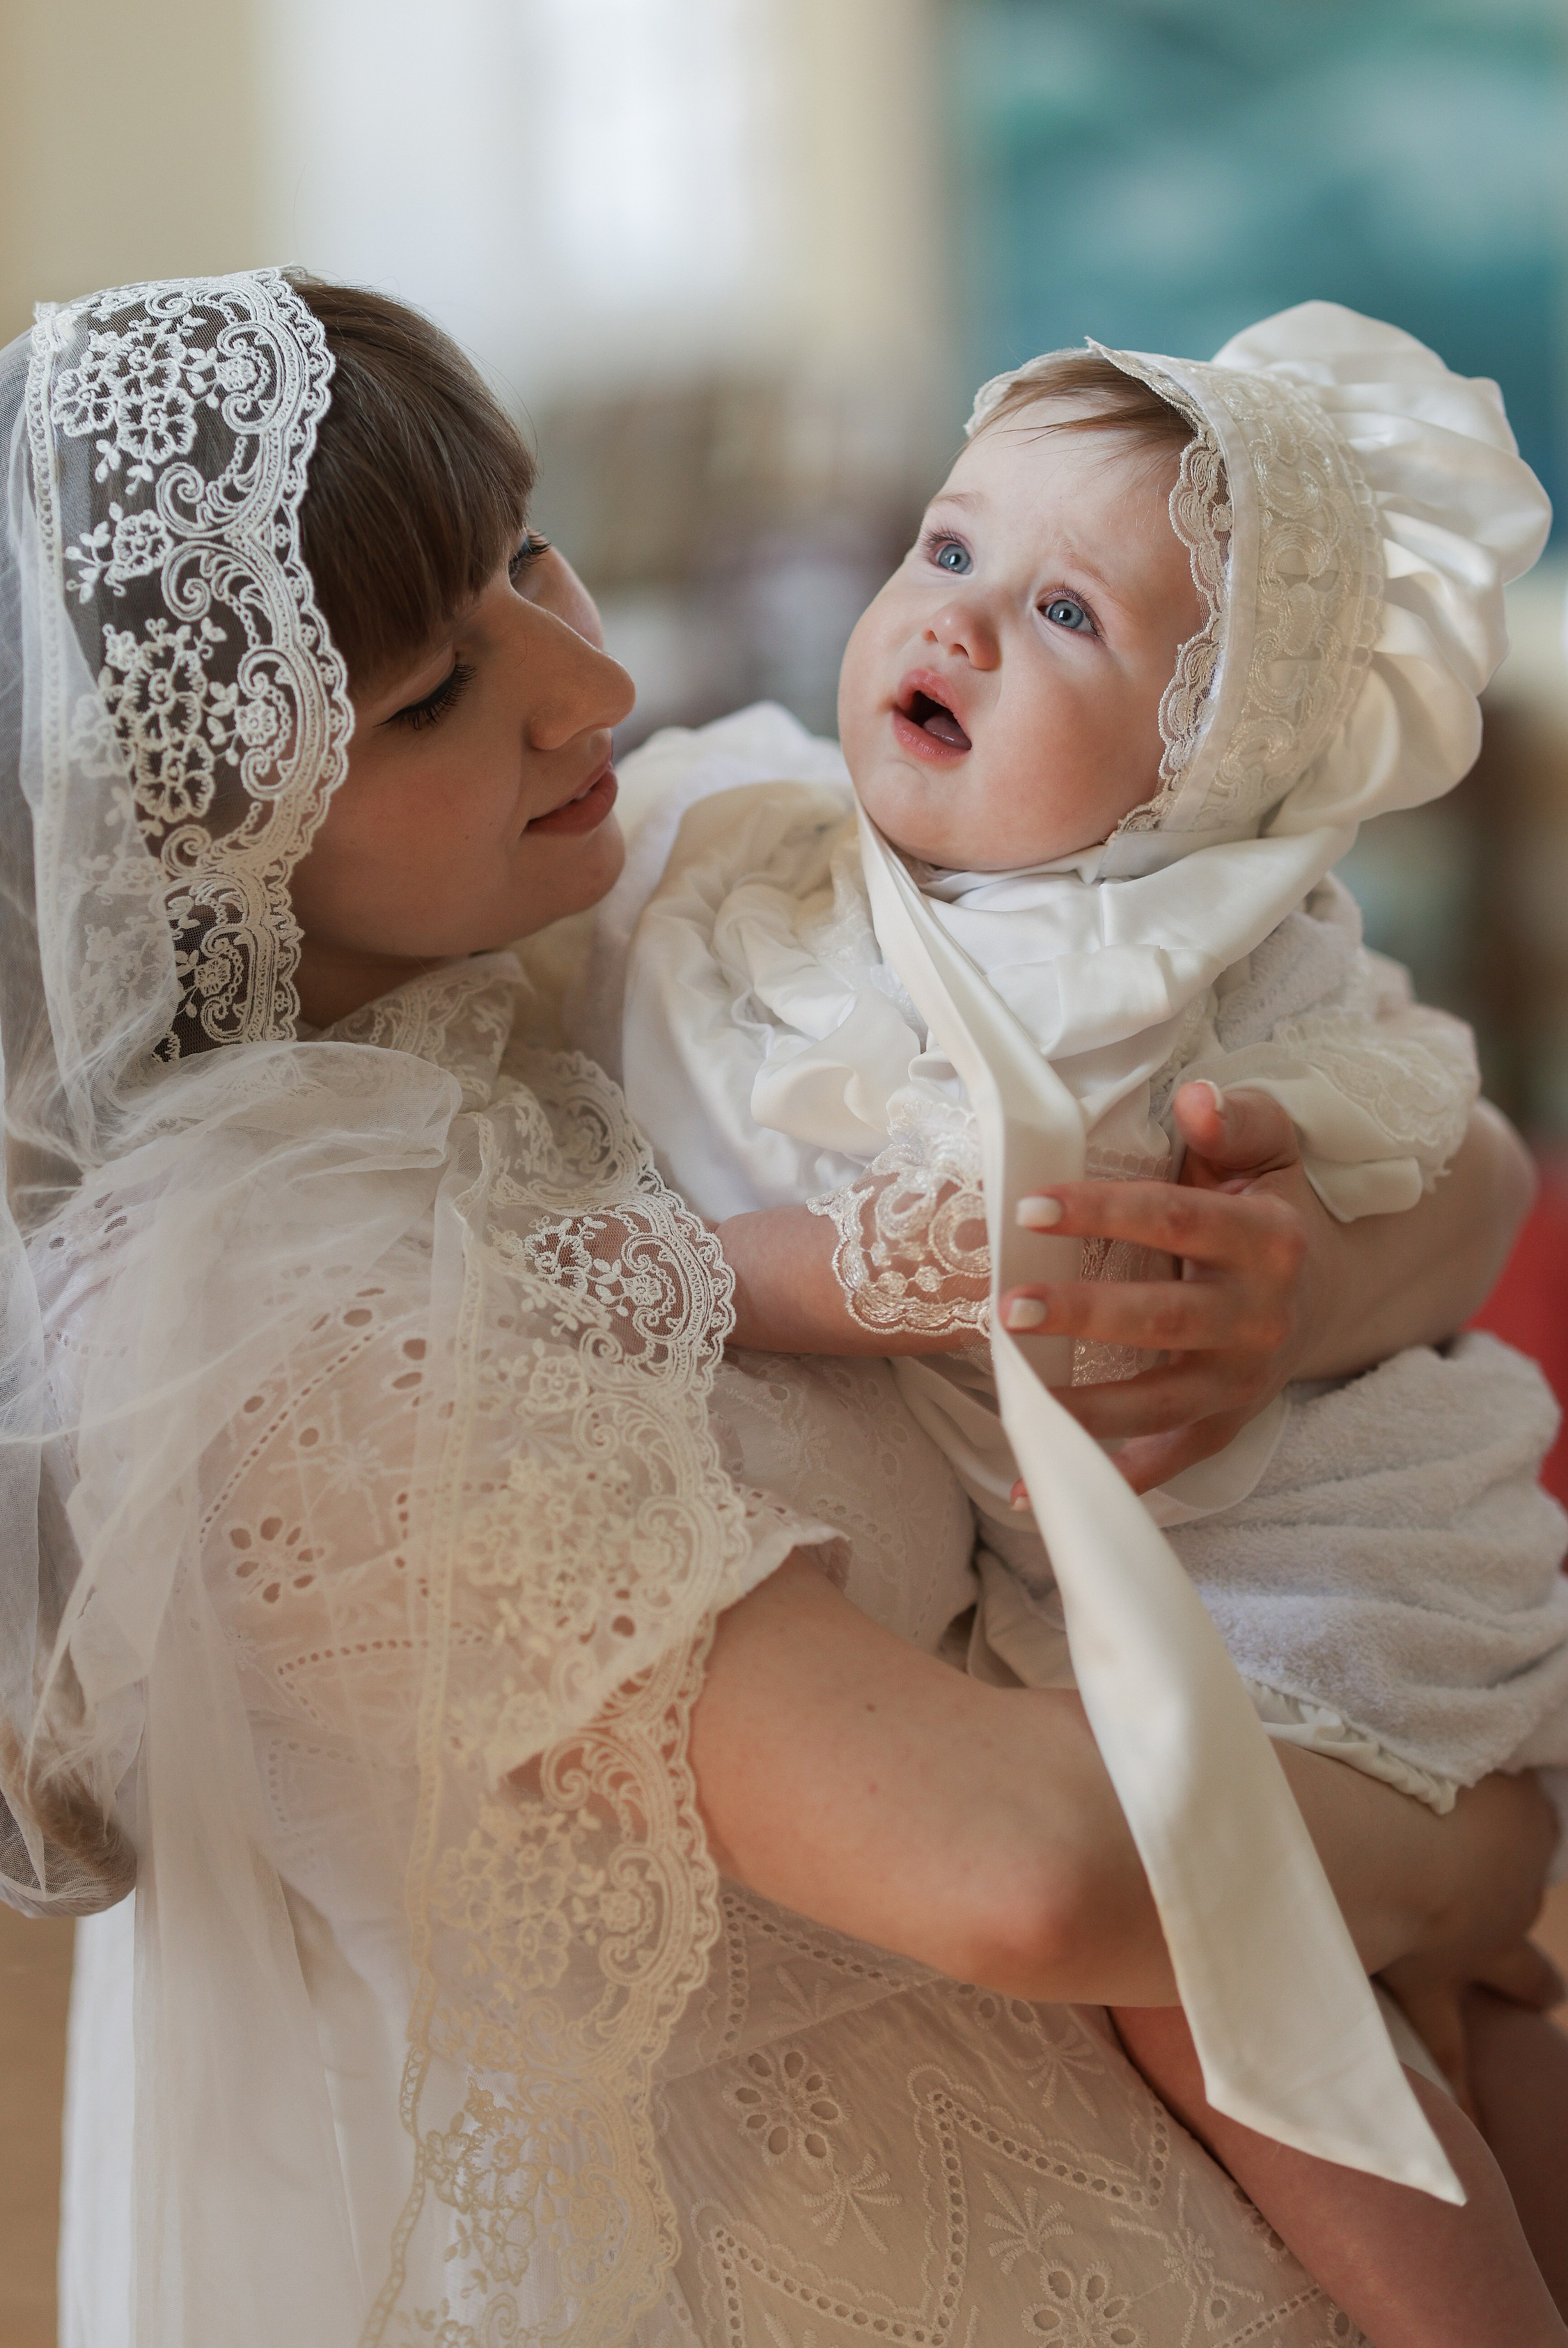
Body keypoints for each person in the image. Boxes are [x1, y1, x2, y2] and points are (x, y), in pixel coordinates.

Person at [0, 272, 1555, 2348]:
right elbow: (1024, 1880)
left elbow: (1452, 1157)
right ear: (194, 832)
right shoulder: (250, 1301)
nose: (591, 677)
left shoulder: (650, 882)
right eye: (433, 693)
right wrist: (1458, 1846)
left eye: (530, 553)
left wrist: (1286, 1297)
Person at [614, 303, 1568, 2333]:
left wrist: (1294, 1177)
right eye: (948, 553)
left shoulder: (1199, 937)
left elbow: (1433, 1120)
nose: (953, 626)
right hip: (1154, 1595)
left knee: (1211, 1997)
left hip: (1327, 1567)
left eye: (1067, 616)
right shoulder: (790, 879)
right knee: (1435, 2006)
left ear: (1198, 771)